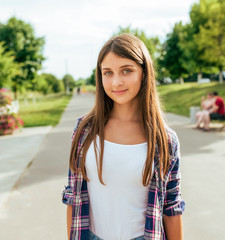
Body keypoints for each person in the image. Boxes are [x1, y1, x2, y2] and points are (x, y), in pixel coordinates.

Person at [62, 34, 185, 240]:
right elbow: (73, 197)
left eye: (126, 70)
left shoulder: (165, 140)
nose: (116, 82)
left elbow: (171, 207)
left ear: (144, 73)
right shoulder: (84, 130)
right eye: (107, 73)